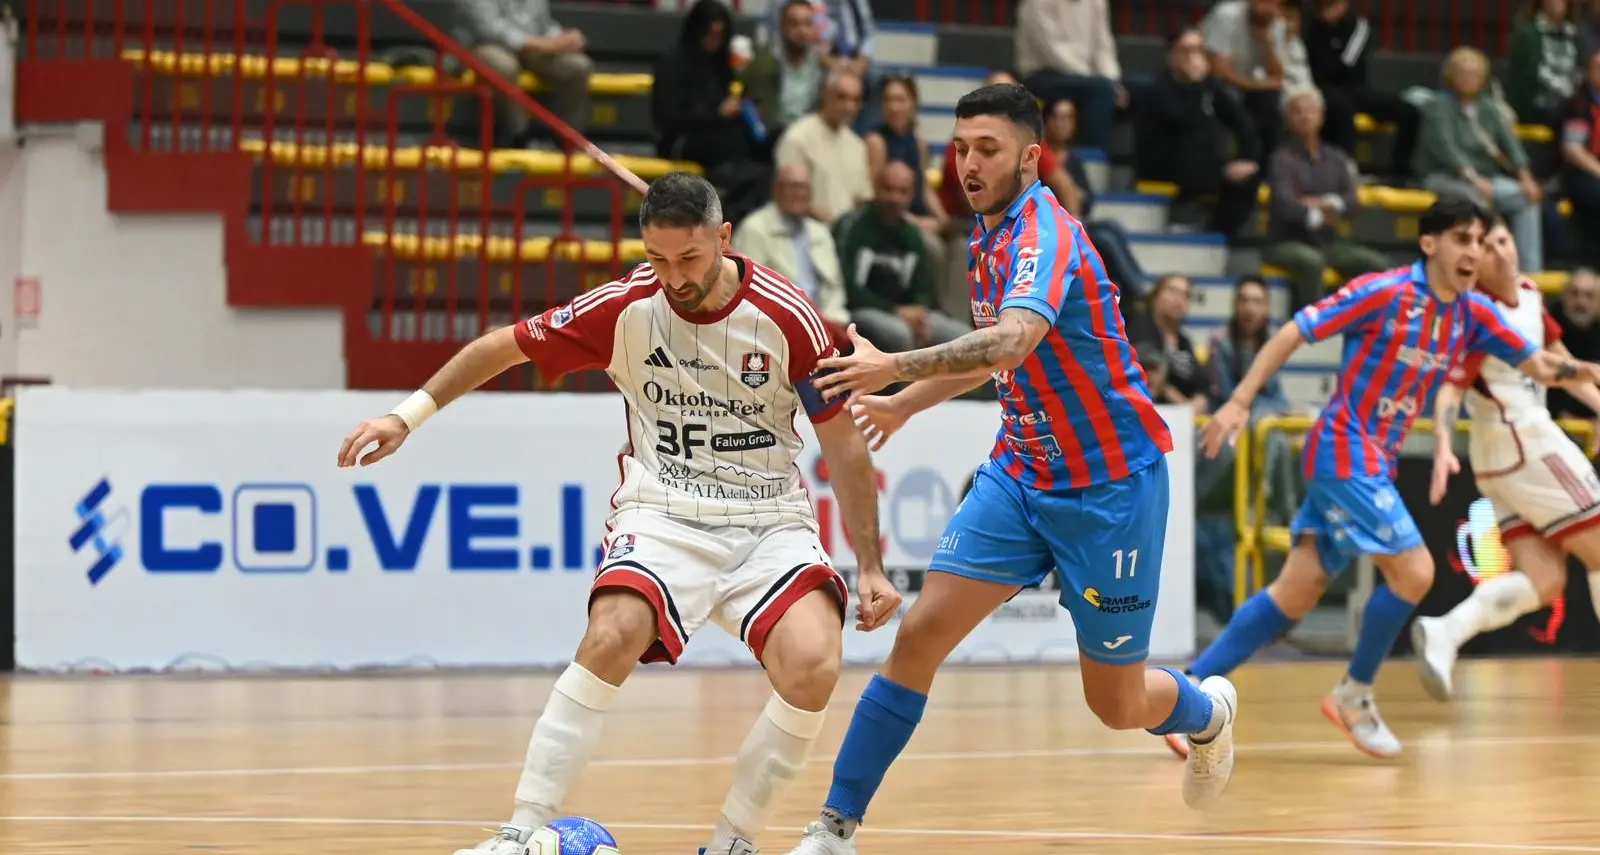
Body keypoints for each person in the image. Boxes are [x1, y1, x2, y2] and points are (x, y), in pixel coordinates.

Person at [335, 172, 903, 855]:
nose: (673, 276)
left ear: (724, 239)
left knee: (814, 661)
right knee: (611, 633)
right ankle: (518, 831)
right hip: (663, 509)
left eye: (689, 259)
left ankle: (733, 842)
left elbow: (843, 447)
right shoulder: (626, 306)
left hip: (769, 521)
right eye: (657, 258)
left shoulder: (787, 316)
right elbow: (501, 345)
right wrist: (407, 415)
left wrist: (869, 563)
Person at [777, 83, 1241, 855]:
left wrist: (891, 367)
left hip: (1110, 490)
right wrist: (909, 404)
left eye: (986, 149)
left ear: (1030, 156)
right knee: (919, 634)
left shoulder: (1045, 235)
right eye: (960, 148)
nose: (967, 163)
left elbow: (1011, 341)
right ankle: (834, 829)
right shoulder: (987, 235)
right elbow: (992, 347)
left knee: (1116, 703)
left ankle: (1205, 712)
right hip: (1021, 475)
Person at [1174, 195, 1600, 761]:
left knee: (1296, 590)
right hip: (1343, 451)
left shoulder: (1472, 314)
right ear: (1430, 244)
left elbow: (1543, 365)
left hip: (1374, 461)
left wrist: (1591, 371)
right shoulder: (1386, 292)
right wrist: (1239, 401)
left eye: (1480, 240)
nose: (1474, 251)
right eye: (1462, 239)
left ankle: (1184, 699)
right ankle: (1354, 695)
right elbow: (1295, 332)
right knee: (1417, 572)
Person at [1413, 218, 1600, 700]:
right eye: (1489, 246)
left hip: (1502, 464)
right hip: (1525, 440)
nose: (1500, 252)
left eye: (1503, 241)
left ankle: (1446, 631)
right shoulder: (1479, 315)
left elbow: (1561, 367)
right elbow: (1451, 390)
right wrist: (1439, 445)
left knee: (1545, 579)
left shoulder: (1533, 296)